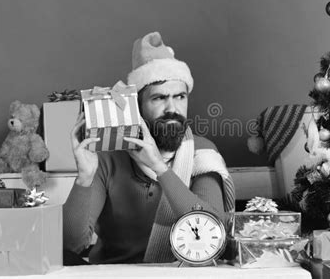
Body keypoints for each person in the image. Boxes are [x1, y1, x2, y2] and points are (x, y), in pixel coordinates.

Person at [63, 32, 235, 264]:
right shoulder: (108, 156)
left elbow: (212, 229)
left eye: (180, 96)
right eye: (159, 98)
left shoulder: (202, 152)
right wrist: (84, 178)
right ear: (138, 107)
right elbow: (70, 245)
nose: (172, 108)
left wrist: (160, 168)